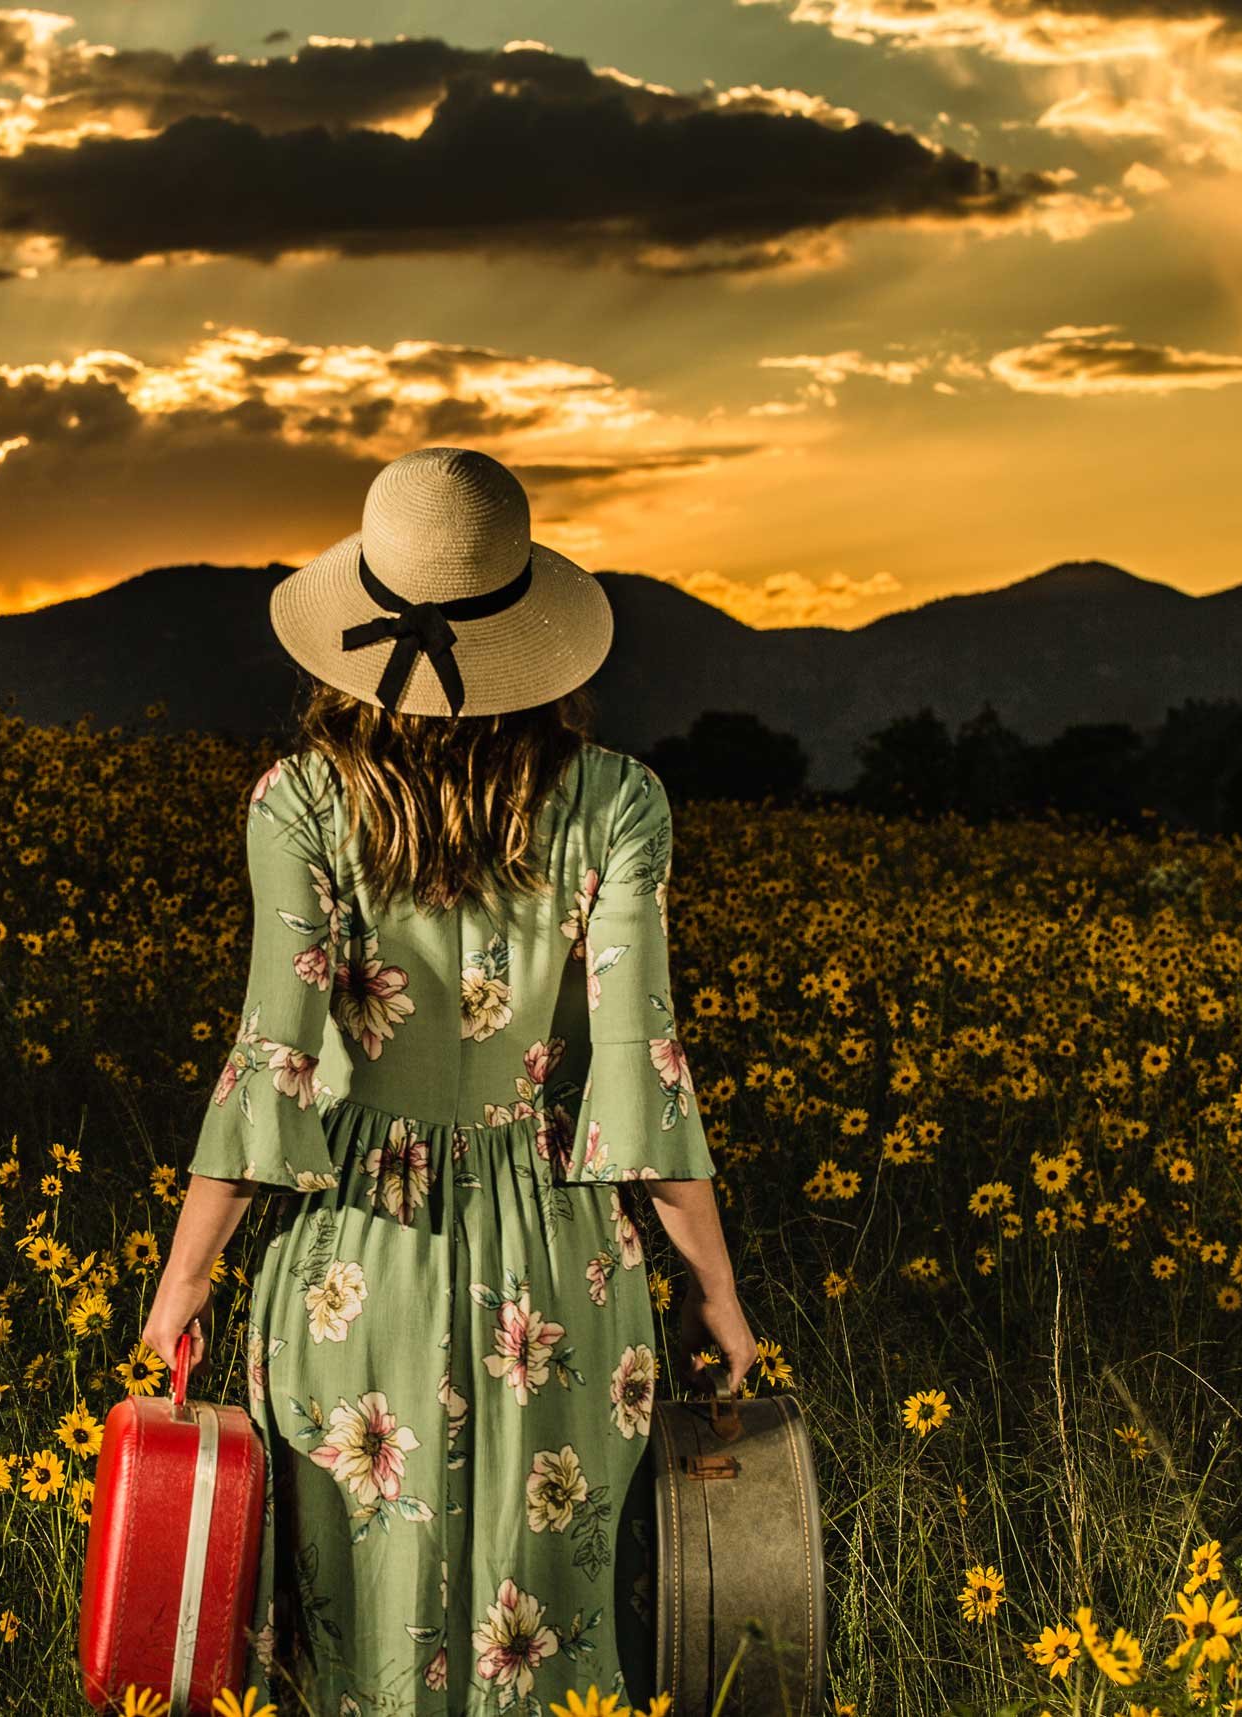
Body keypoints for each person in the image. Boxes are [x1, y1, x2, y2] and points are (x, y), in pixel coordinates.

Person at [139, 446, 760, 1717]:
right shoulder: (618, 803)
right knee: (549, 1638)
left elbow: (272, 1061)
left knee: (358, 1635)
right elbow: (642, 1075)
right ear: (530, 631)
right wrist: (718, 1296)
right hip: (561, 1266)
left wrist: (182, 1283)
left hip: (356, 1258)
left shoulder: (299, 801)